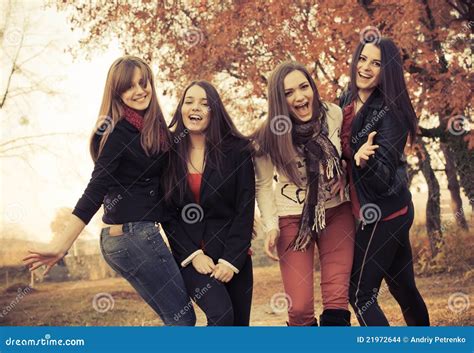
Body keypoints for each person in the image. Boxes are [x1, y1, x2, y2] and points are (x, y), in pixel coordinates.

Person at [22, 56, 196, 326]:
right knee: (183, 320)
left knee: (176, 319)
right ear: (116, 93)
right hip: (133, 236)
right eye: (129, 87)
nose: (139, 91)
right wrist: (61, 244)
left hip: (127, 238)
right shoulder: (117, 132)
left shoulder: (151, 130)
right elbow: (96, 189)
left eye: (143, 82)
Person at [254, 61, 355, 326]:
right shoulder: (268, 135)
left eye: (304, 87)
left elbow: (346, 154)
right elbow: (263, 185)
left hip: (336, 212)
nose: (300, 97)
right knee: (298, 309)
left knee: (336, 302)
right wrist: (271, 226)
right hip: (292, 219)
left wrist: (344, 170)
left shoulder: (333, 114)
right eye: (288, 93)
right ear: (279, 100)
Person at [339, 37, 430, 326]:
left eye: (376, 63)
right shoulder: (345, 100)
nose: (365, 67)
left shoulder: (391, 113)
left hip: (385, 213)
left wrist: (361, 161)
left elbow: (381, 180)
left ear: (387, 71)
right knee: (403, 288)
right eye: (362, 59)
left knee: (360, 293)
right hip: (375, 209)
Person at [161, 80, 255, 326]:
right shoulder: (168, 152)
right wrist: (193, 255)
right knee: (221, 316)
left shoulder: (237, 150)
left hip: (233, 256)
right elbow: (167, 213)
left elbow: (245, 208)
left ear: (215, 112)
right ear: (181, 109)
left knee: (238, 330)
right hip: (193, 257)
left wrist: (230, 261)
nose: (196, 108)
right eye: (189, 101)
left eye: (205, 103)